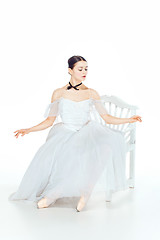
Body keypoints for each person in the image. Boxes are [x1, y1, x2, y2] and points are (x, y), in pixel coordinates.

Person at [8, 55, 142, 212]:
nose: (84, 72)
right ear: (70, 70)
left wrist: (128, 119)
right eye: (80, 69)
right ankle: (54, 193)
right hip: (66, 132)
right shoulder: (58, 93)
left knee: (105, 147)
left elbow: (107, 117)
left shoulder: (92, 93)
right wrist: (28, 130)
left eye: (86, 69)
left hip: (87, 130)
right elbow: (49, 121)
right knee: (67, 151)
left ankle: (86, 191)